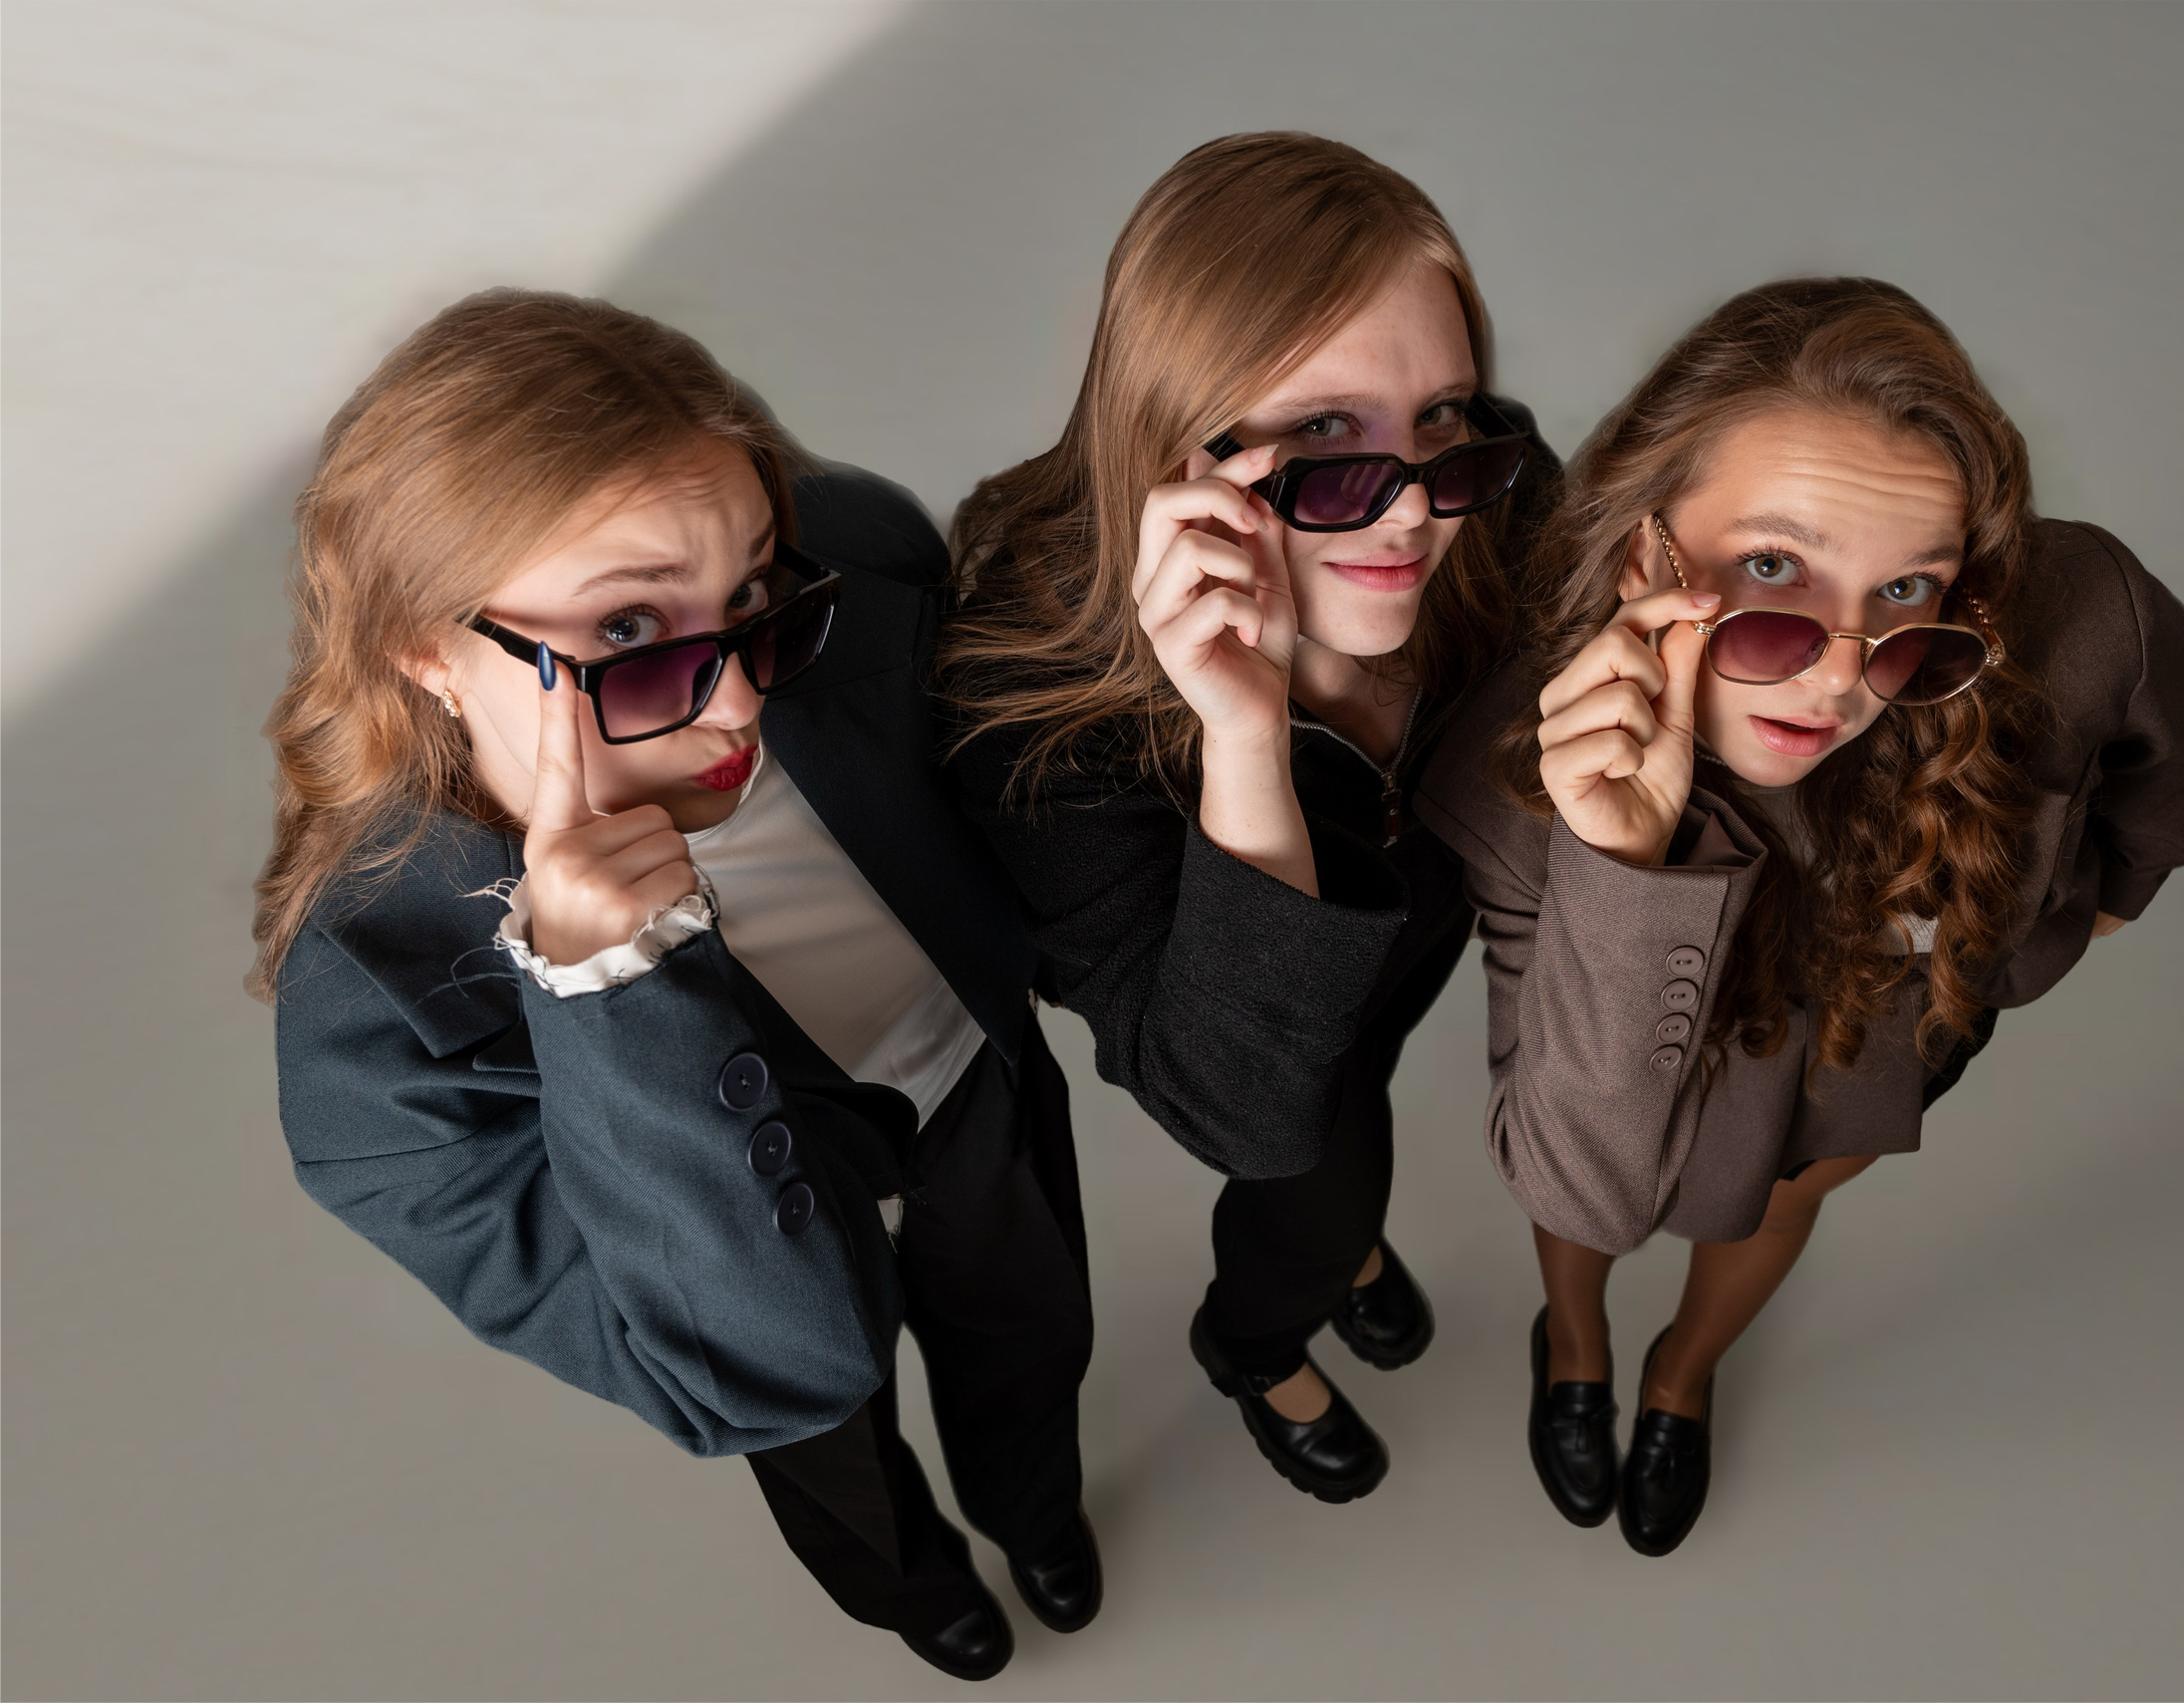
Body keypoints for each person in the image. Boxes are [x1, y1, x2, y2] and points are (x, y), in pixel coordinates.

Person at [253, 290, 1094, 1681]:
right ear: (421, 645)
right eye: (632, 628)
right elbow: (761, 1364)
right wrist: (610, 988)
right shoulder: (371, 1043)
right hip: (741, 1258)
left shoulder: (866, 568)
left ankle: (1036, 1513)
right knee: (835, 1462)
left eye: (753, 593)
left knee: (1028, 1340)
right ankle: (915, 1583)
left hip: (967, 1086)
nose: (742, 703)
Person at [1417, 276, 2184, 1556]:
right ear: (1646, 552)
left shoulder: (2073, 610)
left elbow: (2170, 779)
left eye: (1905, 590)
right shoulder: (1513, 764)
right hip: (1612, 1076)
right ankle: (1572, 1346)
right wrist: (1619, 855)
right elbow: (1587, 1175)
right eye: (1774, 568)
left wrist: (2084, 916)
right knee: (1578, 1230)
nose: (1839, 674)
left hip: (1863, 1043)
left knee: (1788, 1196)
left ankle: (1681, 1376)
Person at [938, 133, 1557, 1503]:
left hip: (1414, 942)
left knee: (1369, 1108)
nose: (1411, 512)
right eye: (1327, 438)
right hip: (1254, 1039)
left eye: (1443, 415)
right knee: (1318, 1179)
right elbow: (1239, 1108)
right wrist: (1245, 728)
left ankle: (1347, 1261)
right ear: (1178, 441)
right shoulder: (1025, 707)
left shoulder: (1493, 492)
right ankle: (1256, 1342)